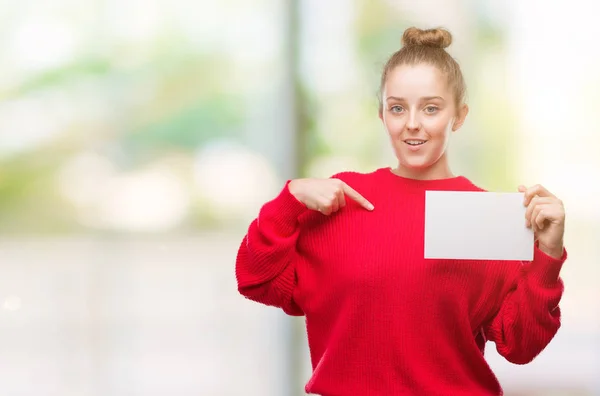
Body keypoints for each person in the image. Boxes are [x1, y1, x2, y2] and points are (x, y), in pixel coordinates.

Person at [235, 26, 567, 396]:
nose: (412, 123)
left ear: (458, 116)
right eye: (397, 108)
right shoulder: (342, 201)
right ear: (382, 115)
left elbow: (521, 346)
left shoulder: (485, 216)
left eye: (430, 108)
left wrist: (548, 254)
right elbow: (255, 279)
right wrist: (289, 199)